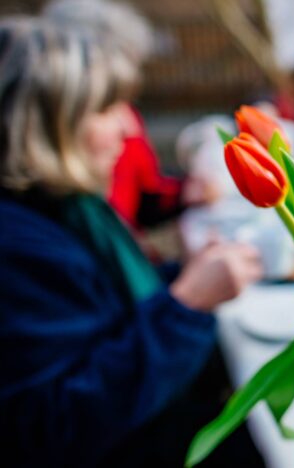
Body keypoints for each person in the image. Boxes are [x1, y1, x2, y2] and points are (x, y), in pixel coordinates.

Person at [0, 18, 263, 465]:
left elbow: (105, 301)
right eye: (106, 108)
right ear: (42, 125)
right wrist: (187, 304)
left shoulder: (66, 205)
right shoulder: (15, 248)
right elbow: (56, 423)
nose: (128, 128)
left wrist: (183, 275)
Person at [43, 0, 219, 232]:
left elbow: (146, 197)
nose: (126, 125)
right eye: (106, 104)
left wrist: (183, 192)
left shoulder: (126, 120)